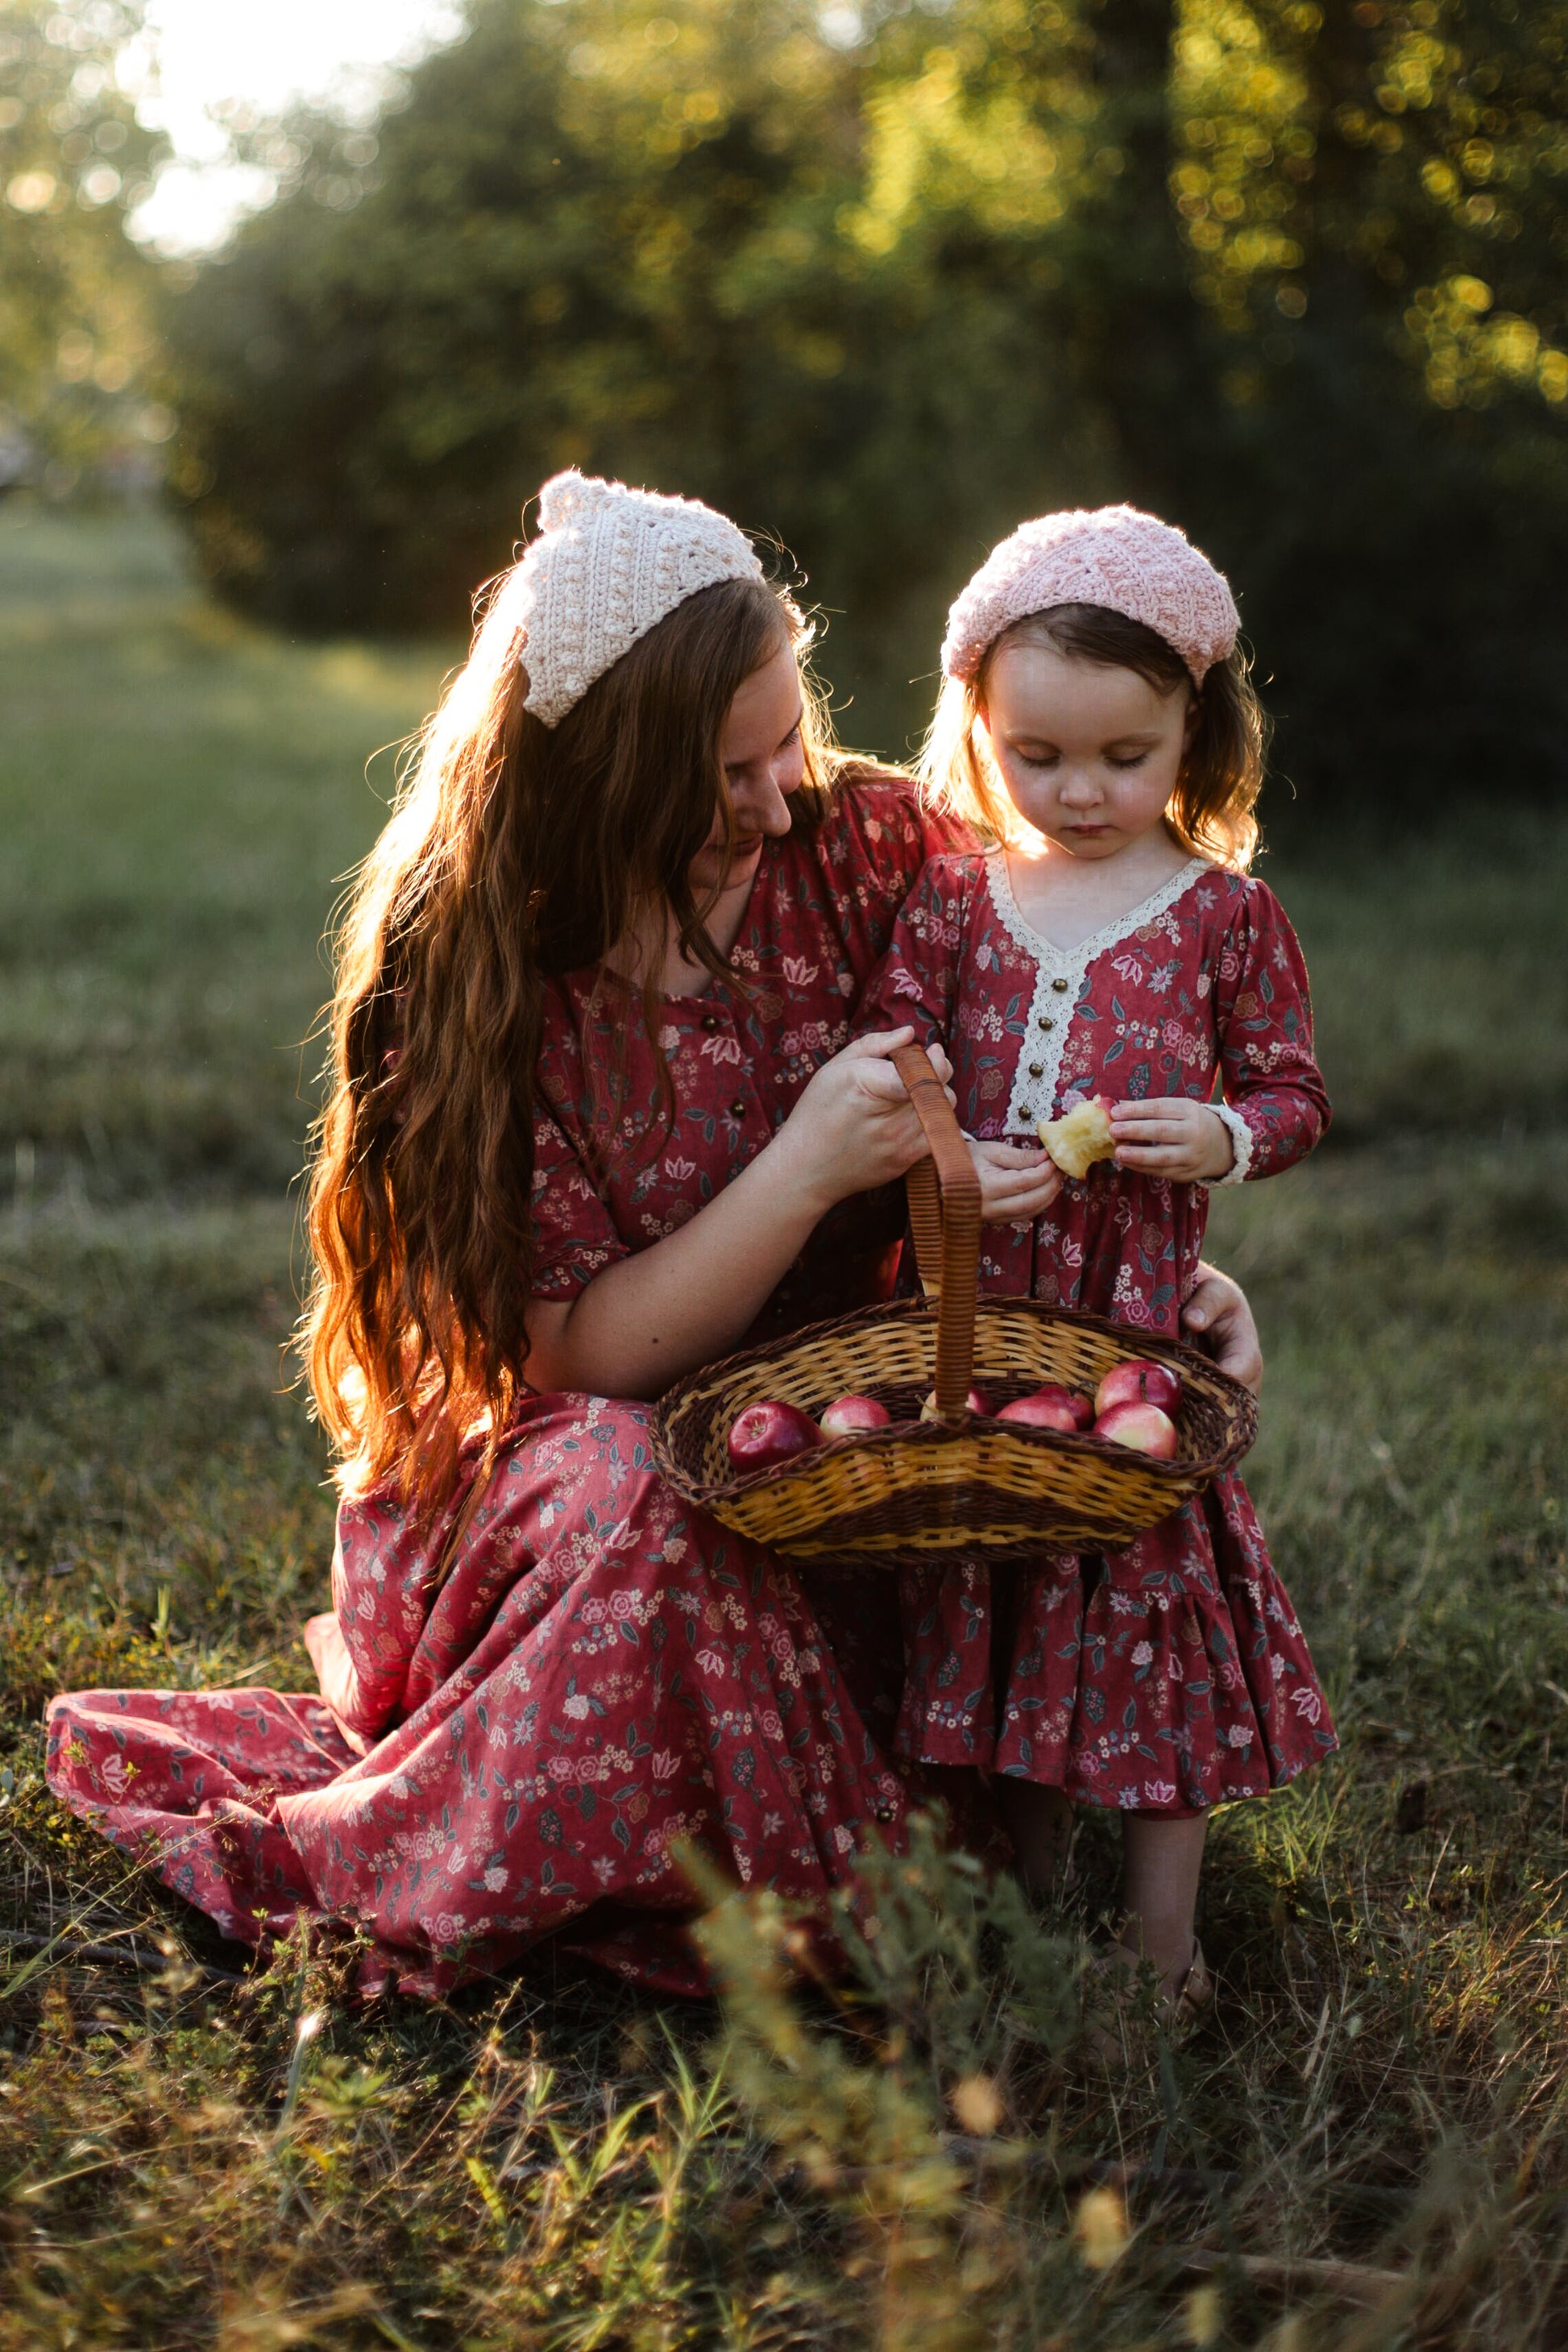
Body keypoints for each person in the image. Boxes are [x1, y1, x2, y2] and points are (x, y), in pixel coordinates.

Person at [46, 474, 1269, 1998]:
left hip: (831, 1448)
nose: (779, 800)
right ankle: (582, 1814)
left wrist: (1150, 1287)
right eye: (726, 774)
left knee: (930, 1566)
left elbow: (1041, 1090)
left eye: (788, 740)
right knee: (653, 1488)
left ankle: (802, 1830)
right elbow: (580, 1355)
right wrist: (800, 1170)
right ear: (601, 789)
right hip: (588, 1467)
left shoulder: (866, 849)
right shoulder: (480, 979)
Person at [858, 505, 1338, 2030]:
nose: (1077, 792)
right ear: (979, 729)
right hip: (974, 1327)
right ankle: (1014, 1902)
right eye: (1037, 755)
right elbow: (890, 1054)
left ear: (1195, 727)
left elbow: (1292, 1093)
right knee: (997, 1593)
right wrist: (946, 1147)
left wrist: (1222, 1135)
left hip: (1128, 1336)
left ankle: (1160, 1946)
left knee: (1141, 1610)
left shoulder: (1222, 915)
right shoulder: (955, 898)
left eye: (1123, 757)